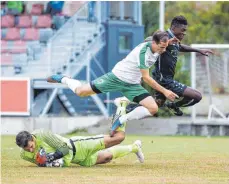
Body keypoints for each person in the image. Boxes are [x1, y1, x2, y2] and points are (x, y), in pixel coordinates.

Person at [47, 30, 179, 135]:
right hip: (116, 77)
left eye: (165, 47)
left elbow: (162, 40)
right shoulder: (143, 53)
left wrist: (171, 41)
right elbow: (146, 78)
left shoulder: (158, 44)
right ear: (154, 43)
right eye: (161, 47)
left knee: (153, 108)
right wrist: (165, 91)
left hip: (132, 85)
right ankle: (64, 79)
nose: (163, 50)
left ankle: (120, 119)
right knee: (81, 92)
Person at [124, 15, 214, 116]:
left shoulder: (174, 40)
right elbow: (149, 41)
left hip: (163, 79)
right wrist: (160, 42)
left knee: (156, 104)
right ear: (174, 28)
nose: (184, 33)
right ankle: (174, 106)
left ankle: (129, 107)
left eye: (185, 30)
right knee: (197, 96)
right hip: (164, 80)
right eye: (182, 30)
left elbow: (180, 47)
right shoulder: (164, 36)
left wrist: (198, 50)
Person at [16, 126, 144, 167]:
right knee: (107, 157)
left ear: (32, 138)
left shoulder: (42, 134)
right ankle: (134, 147)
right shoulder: (24, 154)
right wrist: (44, 163)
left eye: (31, 146)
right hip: (77, 160)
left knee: (117, 138)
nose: (31, 150)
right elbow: (41, 164)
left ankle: (122, 106)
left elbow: (64, 149)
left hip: (79, 146)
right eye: (27, 149)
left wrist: (50, 158)